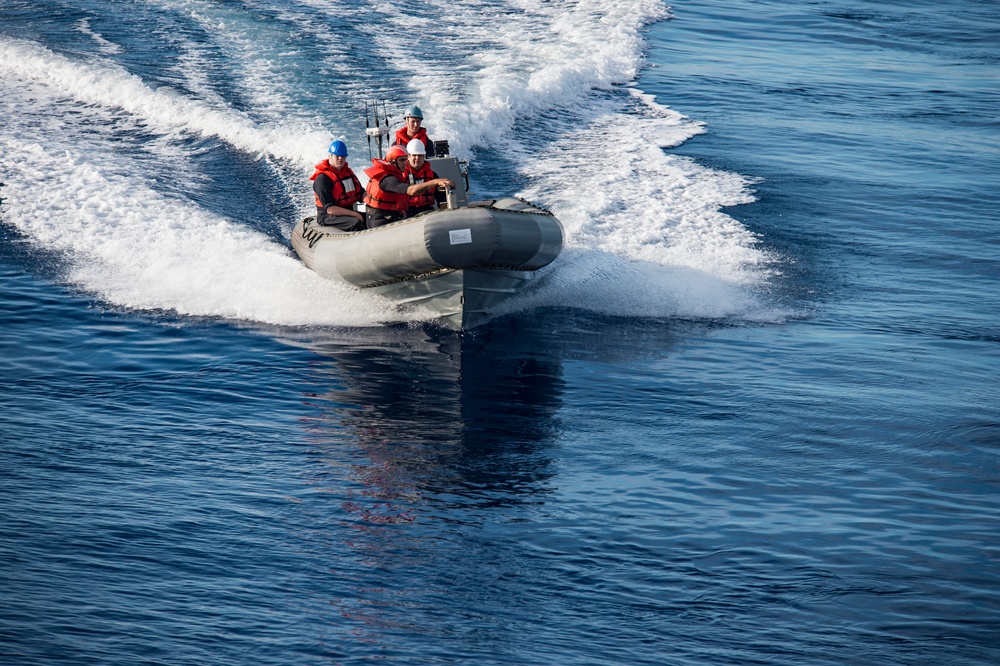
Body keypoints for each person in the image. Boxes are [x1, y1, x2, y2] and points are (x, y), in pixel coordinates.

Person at [364, 144, 455, 228]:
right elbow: (411, 191)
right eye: (402, 160)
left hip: (392, 215)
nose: (405, 163)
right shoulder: (388, 179)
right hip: (381, 220)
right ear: (392, 161)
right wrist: (434, 182)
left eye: (406, 159)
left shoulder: (395, 175)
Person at [310, 140, 365, 231]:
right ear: (330, 156)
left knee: (372, 218)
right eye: (337, 155)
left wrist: (373, 202)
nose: (340, 158)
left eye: (343, 156)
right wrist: (355, 214)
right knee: (356, 222)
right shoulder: (322, 179)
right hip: (328, 216)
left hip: (348, 211)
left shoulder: (348, 173)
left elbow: (361, 192)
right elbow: (330, 209)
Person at [403, 138, 441, 217]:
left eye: (420, 155)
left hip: (427, 212)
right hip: (406, 213)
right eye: (414, 155)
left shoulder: (433, 175)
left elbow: (442, 199)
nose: (417, 158)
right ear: (408, 156)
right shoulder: (400, 175)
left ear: (424, 156)